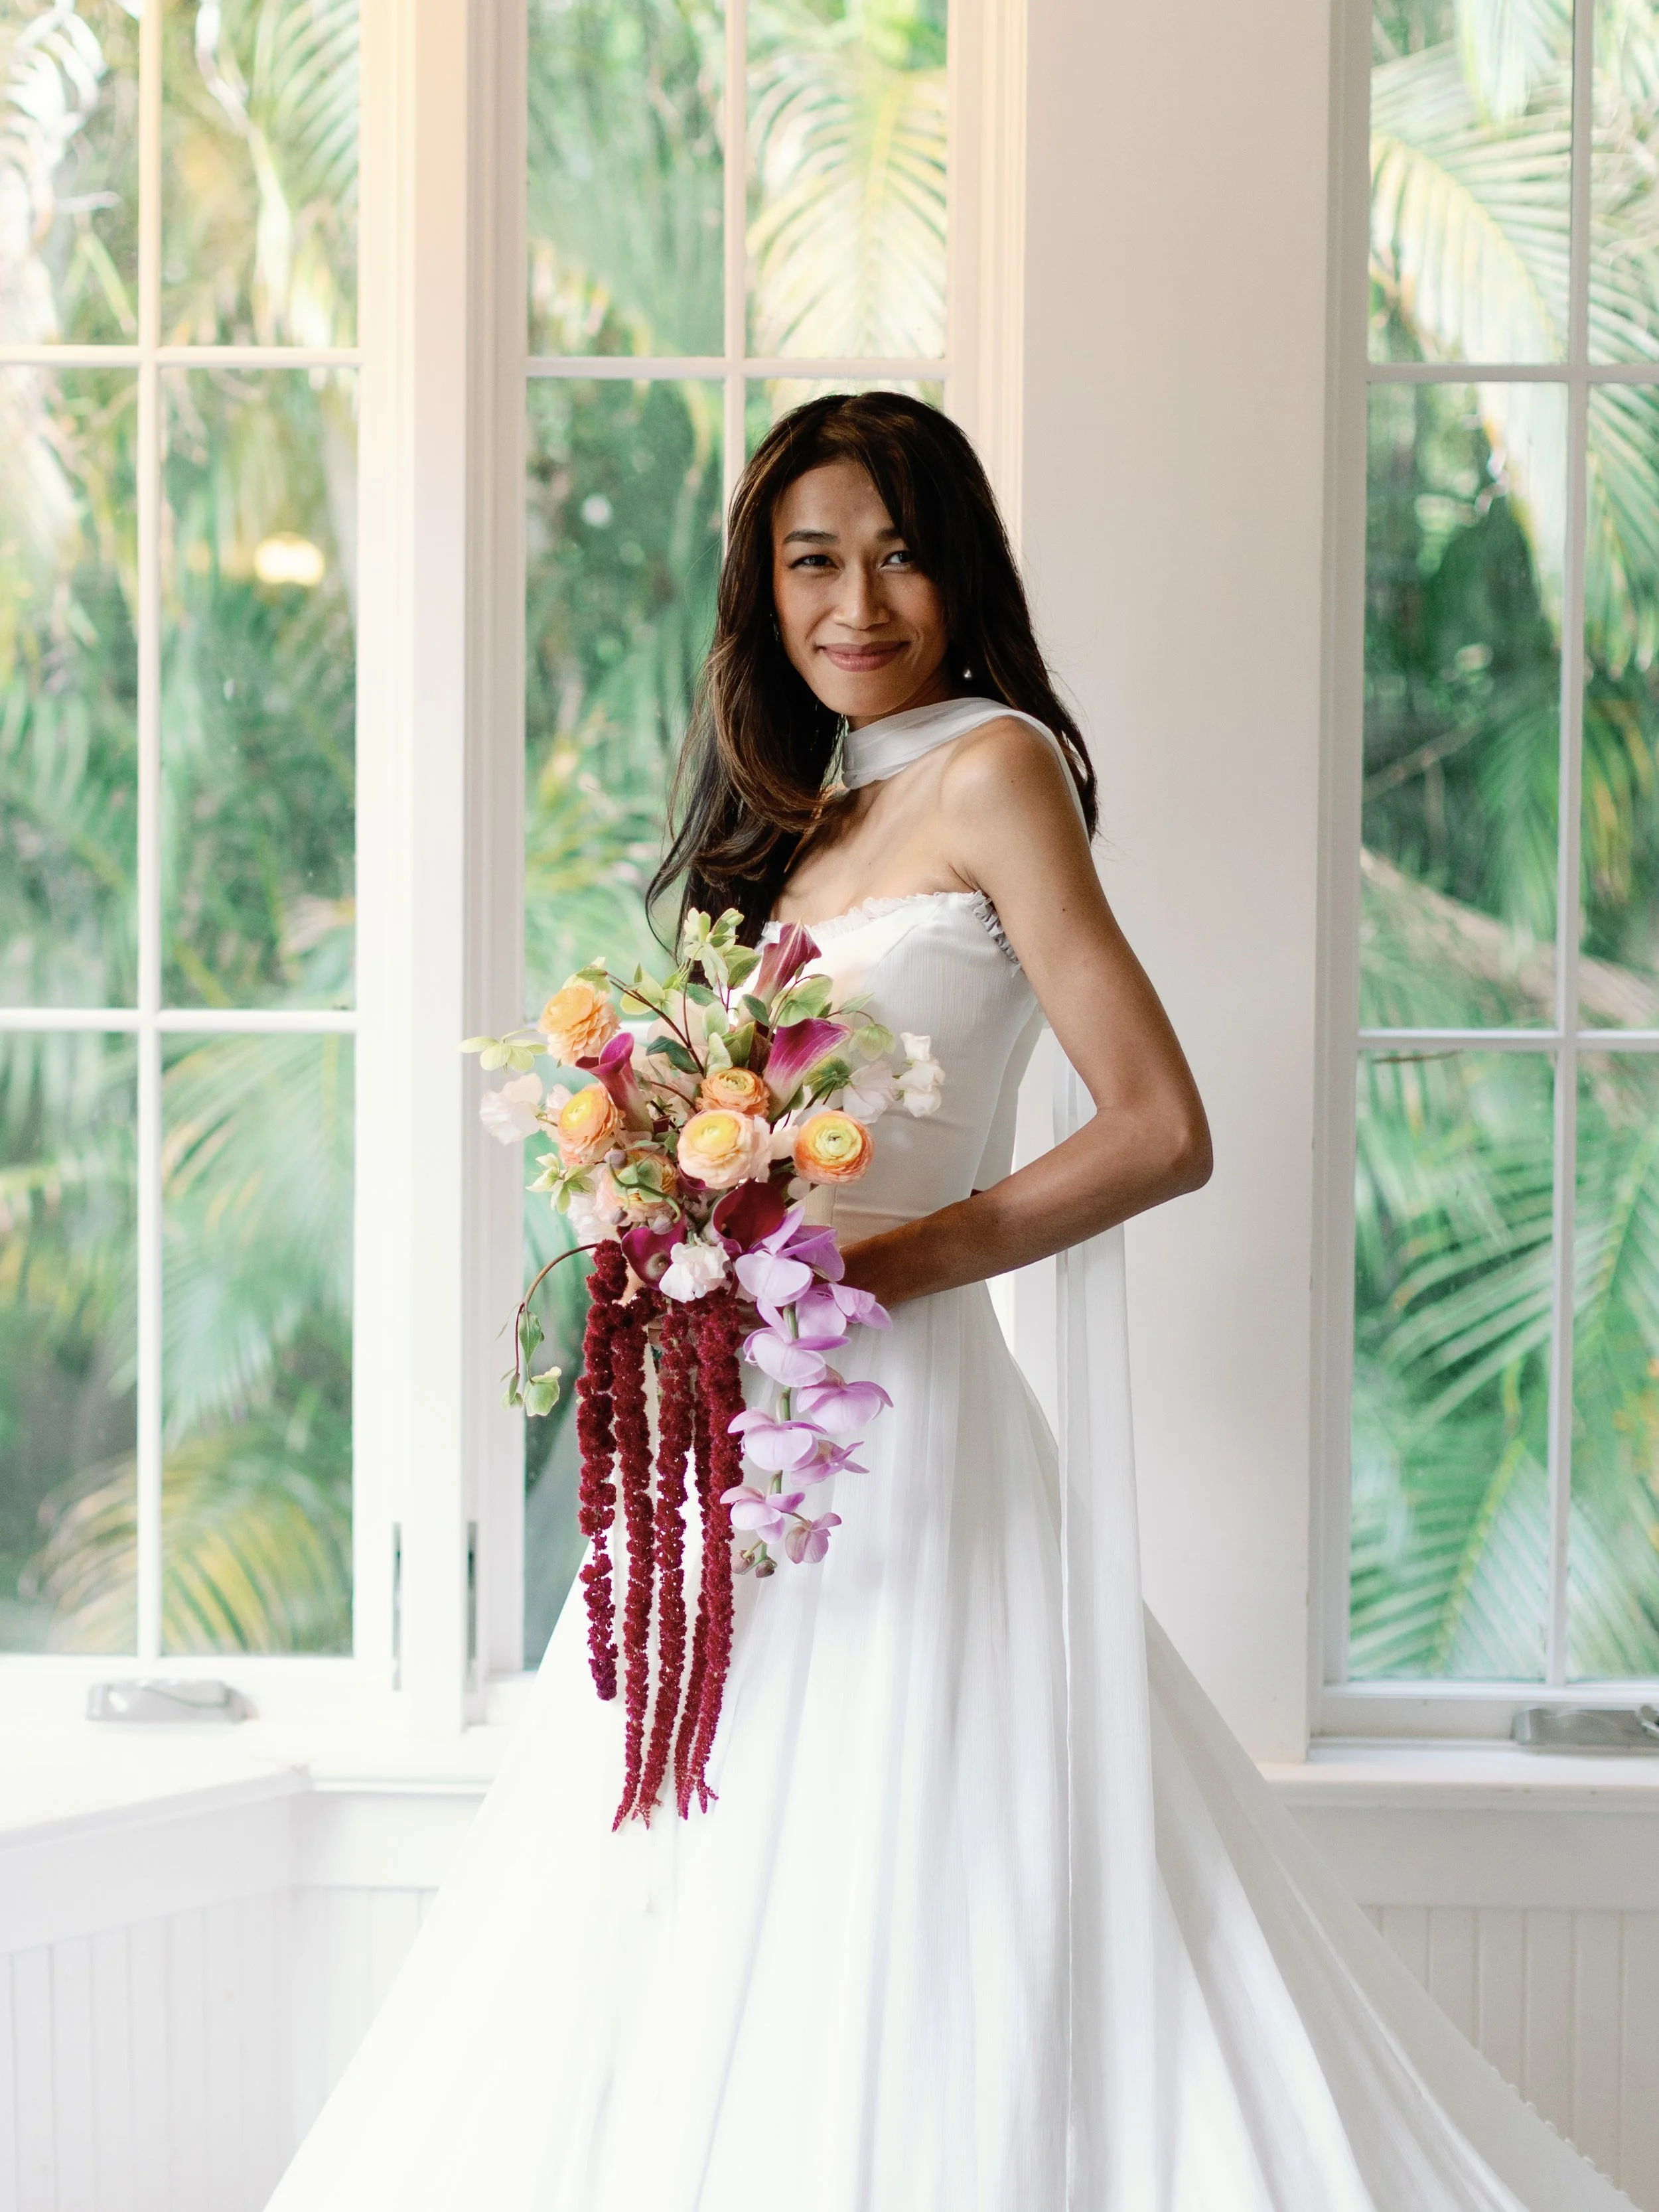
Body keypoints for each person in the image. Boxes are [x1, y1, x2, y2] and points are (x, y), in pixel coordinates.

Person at [268, 394, 1630, 2209]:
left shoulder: (994, 767)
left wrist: (867, 1264)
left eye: (898, 552)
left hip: (894, 1423)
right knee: (695, 1866)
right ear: (762, 587)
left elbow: (1156, 1129)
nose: (856, 599)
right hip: (735, 1443)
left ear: (959, 564)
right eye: (811, 559)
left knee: (913, 1870)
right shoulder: (805, 810)